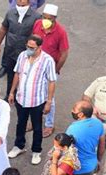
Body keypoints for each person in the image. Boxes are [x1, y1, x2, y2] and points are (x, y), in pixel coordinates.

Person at [7, 35, 57, 165]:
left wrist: (49, 101)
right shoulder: (23, 55)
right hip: (21, 98)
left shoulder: (47, 60)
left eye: (32, 47)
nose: (29, 49)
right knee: (20, 124)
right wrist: (12, 92)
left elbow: (52, 81)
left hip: (37, 100)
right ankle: (19, 146)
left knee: (37, 127)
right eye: (27, 46)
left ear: (39, 47)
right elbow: (17, 74)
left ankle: (36, 151)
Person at [32, 4, 70, 137]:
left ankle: (49, 124)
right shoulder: (37, 24)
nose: (46, 20)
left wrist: (56, 69)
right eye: (44, 17)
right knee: (34, 94)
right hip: (35, 64)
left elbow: (64, 53)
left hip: (50, 68)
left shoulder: (61, 32)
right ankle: (34, 120)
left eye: (50, 18)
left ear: (55, 18)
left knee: (49, 98)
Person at [0, 0, 41, 95]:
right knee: (10, 75)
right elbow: (3, 29)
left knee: (24, 76)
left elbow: (38, 38)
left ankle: (21, 95)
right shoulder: (10, 13)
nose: (20, 3)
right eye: (18, 2)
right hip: (10, 51)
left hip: (26, 54)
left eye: (23, 2)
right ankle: (9, 94)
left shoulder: (36, 17)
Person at [83, 76, 106, 175]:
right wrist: (92, 107)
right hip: (97, 121)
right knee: (94, 148)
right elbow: (86, 96)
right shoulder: (100, 81)